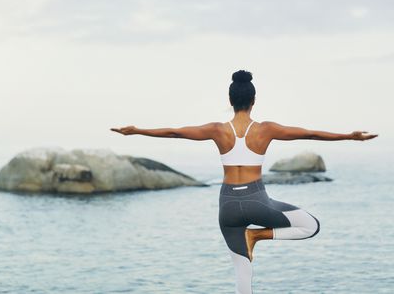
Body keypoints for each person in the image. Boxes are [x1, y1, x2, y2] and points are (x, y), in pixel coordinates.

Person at [110, 70, 378, 294]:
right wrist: (349, 136)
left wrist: (136, 131)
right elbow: (309, 135)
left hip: (227, 206)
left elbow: (175, 133)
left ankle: (250, 238)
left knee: (242, 276)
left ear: (230, 99)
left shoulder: (218, 130)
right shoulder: (265, 130)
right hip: (256, 201)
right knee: (311, 225)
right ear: (254, 100)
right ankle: (257, 235)